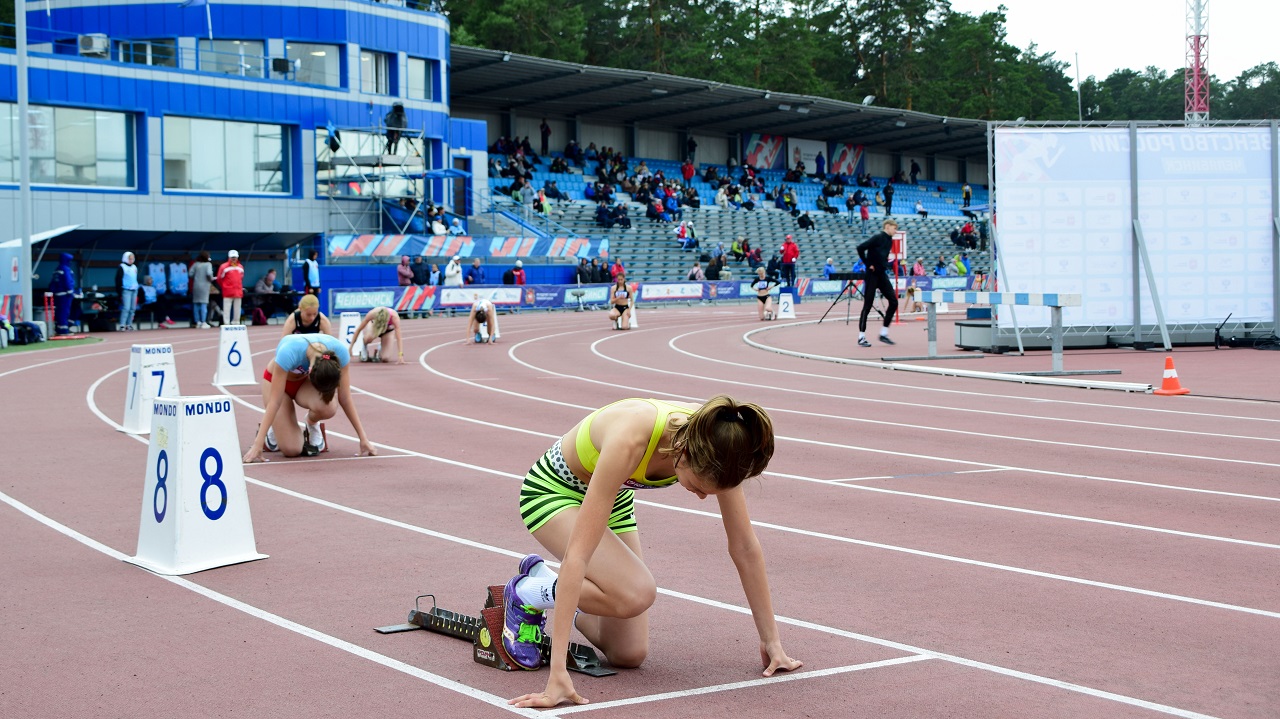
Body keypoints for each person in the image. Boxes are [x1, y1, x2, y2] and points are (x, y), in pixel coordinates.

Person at [504, 395, 801, 709]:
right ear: (682, 452)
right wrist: (558, 674)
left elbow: (743, 546)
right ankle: (528, 592)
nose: (702, 497)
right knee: (637, 592)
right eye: (699, 486)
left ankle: (558, 588)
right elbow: (577, 555)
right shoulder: (630, 440)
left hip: (612, 497)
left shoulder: (719, 446)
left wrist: (772, 640)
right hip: (555, 491)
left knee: (627, 654)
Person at [242, 333, 375, 462]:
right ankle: (274, 427)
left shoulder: (340, 353)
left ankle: (311, 424)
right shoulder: (289, 351)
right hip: (275, 383)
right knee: (291, 450)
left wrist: (363, 439)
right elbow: (275, 402)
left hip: (302, 385)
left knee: (328, 407)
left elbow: (345, 398)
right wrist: (257, 444)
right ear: (310, 372)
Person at [855, 219, 900, 347]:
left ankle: (884, 333)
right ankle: (861, 337)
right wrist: (868, 264)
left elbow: (882, 256)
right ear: (887, 226)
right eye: (894, 228)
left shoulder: (889, 240)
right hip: (872, 275)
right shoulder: (878, 237)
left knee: (894, 301)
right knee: (868, 305)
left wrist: (887, 265)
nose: (895, 231)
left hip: (881, 274)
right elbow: (860, 248)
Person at [49, 252, 77, 336]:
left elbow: (53, 282)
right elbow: (68, 281)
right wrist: (70, 292)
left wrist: (53, 291)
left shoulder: (58, 269)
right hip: (65, 294)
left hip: (58, 294)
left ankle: (59, 329)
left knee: (59, 312)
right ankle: (64, 331)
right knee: (64, 312)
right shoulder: (65, 269)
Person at [216, 250, 245, 326]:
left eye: (235, 257)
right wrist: (225, 286)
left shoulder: (240, 267)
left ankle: (236, 321)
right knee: (226, 309)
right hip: (228, 291)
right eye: (232, 257)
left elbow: (241, 278)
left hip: (238, 291)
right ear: (229, 257)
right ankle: (226, 323)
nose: (233, 259)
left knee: (237, 308)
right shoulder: (224, 267)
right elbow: (219, 278)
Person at [114, 251, 140, 331]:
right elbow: (118, 279)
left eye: (132, 259)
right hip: (126, 290)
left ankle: (129, 324)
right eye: (130, 259)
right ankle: (122, 324)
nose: (131, 260)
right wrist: (119, 290)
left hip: (134, 289)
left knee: (133, 308)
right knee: (126, 308)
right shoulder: (122, 267)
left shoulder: (134, 267)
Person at [190, 251, 215, 328]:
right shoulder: (208, 264)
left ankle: (197, 322)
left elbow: (190, 274)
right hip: (205, 286)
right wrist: (211, 279)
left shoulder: (195, 264)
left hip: (196, 286)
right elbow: (209, 274)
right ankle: (204, 321)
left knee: (196, 304)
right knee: (204, 304)